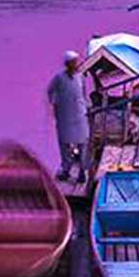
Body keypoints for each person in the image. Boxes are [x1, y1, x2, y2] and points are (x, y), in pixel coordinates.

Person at [47, 50, 90, 183]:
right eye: (74, 62)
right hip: (64, 116)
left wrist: (86, 107)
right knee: (64, 144)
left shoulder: (81, 77)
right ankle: (66, 170)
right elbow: (50, 92)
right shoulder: (59, 78)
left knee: (83, 143)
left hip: (80, 115)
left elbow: (84, 94)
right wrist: (56, 106)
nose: (77, 64)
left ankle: (82, 172)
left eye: (77, 62)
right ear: (68, 64)